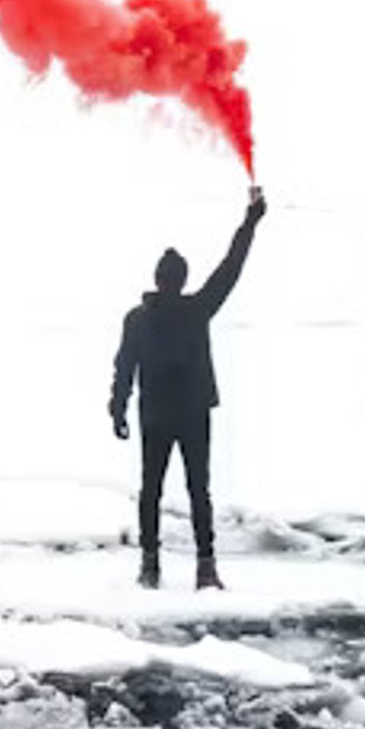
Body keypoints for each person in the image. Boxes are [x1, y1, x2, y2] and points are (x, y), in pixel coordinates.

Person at [109, 183, 267, 590]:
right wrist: (251, 220)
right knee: (200, 490)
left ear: (157, 279)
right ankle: (206, 567)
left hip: (155, 415)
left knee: (151, 490)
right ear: (182, 280)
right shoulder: (198, 309)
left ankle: (150, 566)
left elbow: (124, 365)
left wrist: (118, 408)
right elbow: (231, 267)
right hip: (194, 413)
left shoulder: (136, 319)